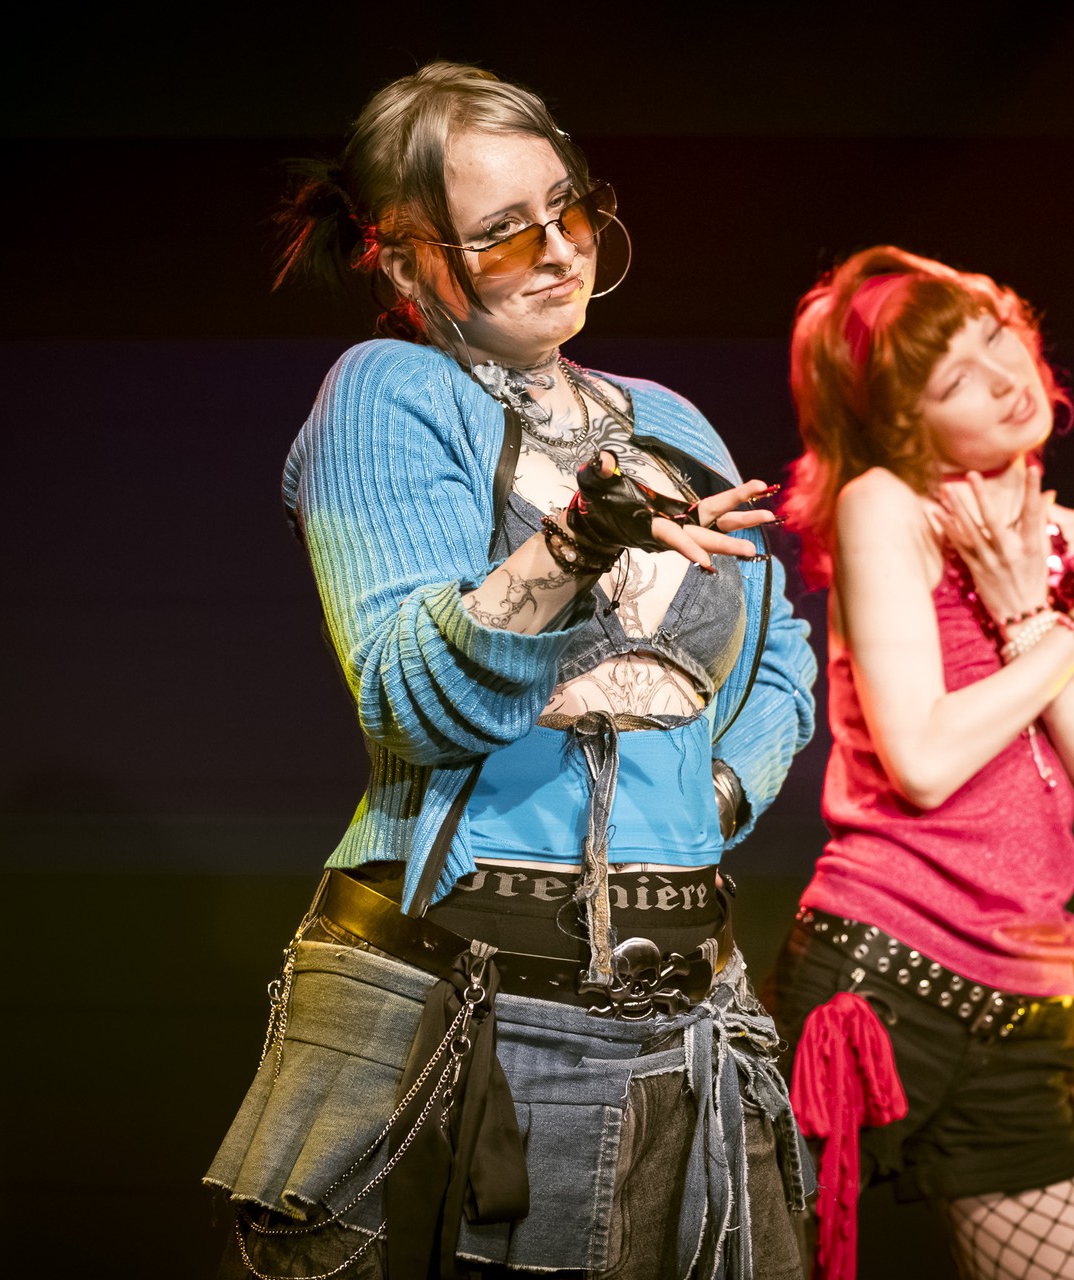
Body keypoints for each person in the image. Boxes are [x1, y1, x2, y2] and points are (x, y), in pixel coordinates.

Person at [202, 62, 818, 1280]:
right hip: (484, 997)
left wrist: (712, 799)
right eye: (501, 233)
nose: (558, 250)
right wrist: (574, 542)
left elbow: (780, 656)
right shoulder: (388, 390)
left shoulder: (669, 420)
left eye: (568, 209)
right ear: (402, 262)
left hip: (693, 1005)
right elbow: (408, 695)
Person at [765, 245, 1074, 1280]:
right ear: (905, 424)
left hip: (1025, 1002)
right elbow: (924, 758)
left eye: (1000, 338)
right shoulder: (889, 503)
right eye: (957, 379)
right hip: (879, 978)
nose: (1007, 378)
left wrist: (1032, 619)